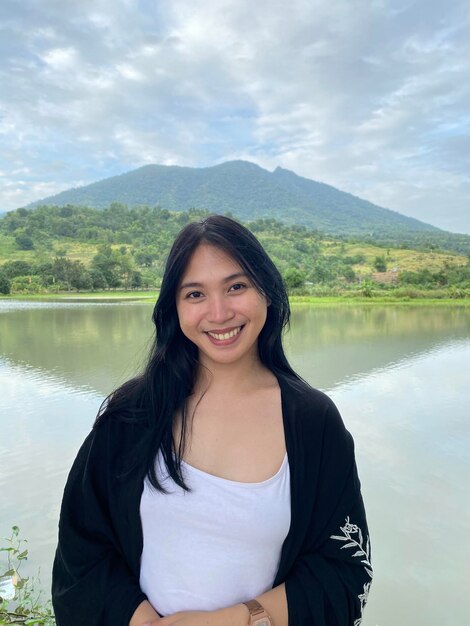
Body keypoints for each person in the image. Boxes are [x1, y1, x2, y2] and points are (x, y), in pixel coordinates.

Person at [52, 215, 373, 626]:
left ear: (267, 292)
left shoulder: (313, 422)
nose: (218, 313)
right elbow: (82, 551)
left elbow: (344, 568)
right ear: (175, 307)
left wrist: (236, 619)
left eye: (236, 286)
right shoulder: (132, 414)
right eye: (195, 294)